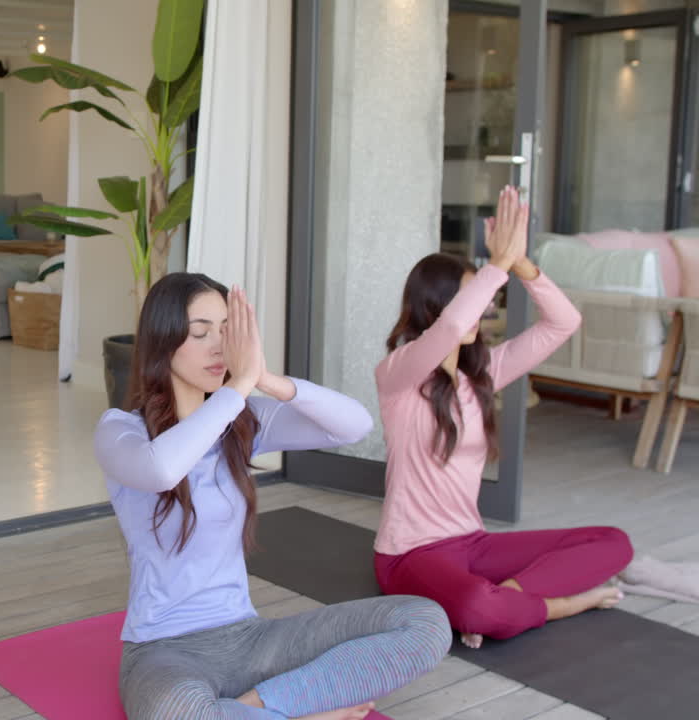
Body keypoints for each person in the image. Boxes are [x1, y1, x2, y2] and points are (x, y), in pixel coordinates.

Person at [95, 273, 451, 720]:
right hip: (163, 653)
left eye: (227, 331)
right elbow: (163, 469)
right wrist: (236, 387)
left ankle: (261, 706)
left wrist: (264, 378)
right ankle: (308, 711)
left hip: (250, 640)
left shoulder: (242, 424)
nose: (219, 347)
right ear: (162, 342)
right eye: (201, 332)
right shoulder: (120, 431)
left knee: (426, 622)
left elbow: (354, 426)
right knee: (181, 712)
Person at [373, 185, 633, 649]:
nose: (483, 308)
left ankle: (506, 600)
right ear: (433, 304)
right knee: (477, 605)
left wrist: (520, 264)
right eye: (470, 296)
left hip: (473, 544)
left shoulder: (481, 376)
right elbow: (453, 326)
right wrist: (496, 264)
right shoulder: (399, 372)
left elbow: (564, 322)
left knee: (614, 542)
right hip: (409, 554)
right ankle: (566, 604)